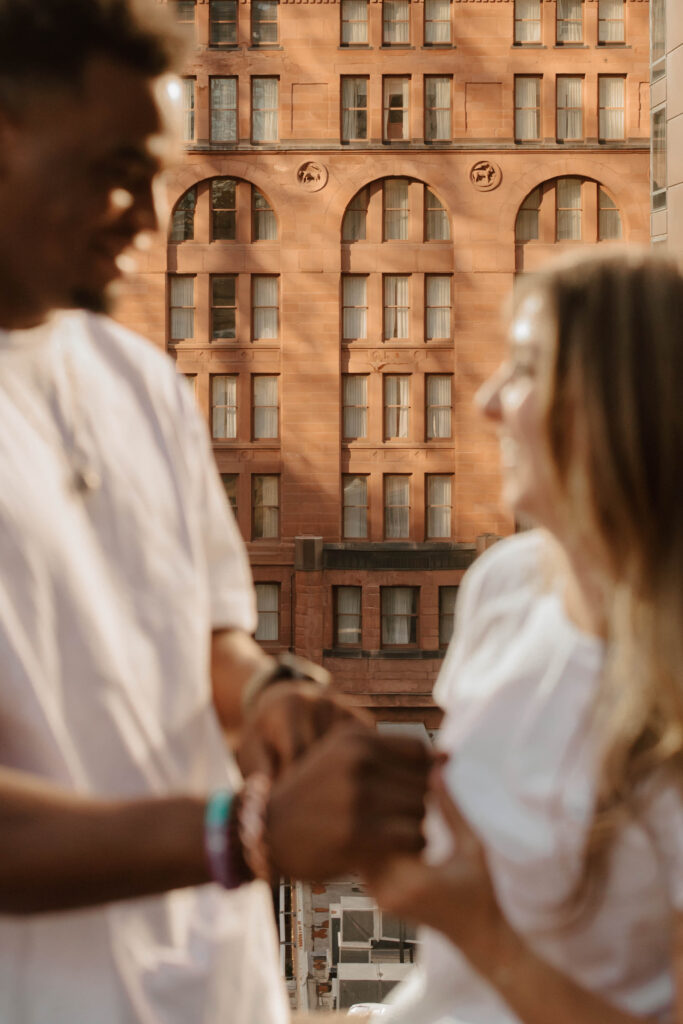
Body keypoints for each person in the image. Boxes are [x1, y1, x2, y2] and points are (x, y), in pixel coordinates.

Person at [0, 0, 431, 1020]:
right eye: (111, 167)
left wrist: (276, 692)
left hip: (218, 995)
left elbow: (202, 637)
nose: (148, 219)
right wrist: (243, 834)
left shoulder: (135, 378)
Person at [365, 249, 683, 1024]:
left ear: (617, 407)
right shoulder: (502, 587)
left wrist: (477, 929)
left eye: (527, 369)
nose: (486, 403)